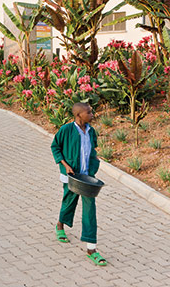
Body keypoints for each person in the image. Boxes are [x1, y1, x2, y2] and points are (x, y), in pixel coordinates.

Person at [51, 102, 107, 266]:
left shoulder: (91, 131)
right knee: (69, 201)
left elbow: (93, 149)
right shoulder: (66, 130)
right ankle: (60, 224)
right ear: (78, 115)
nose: (92, 114)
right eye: (88, 112)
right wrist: (65, 166)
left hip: (87, 177)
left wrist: (95, 162)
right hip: (72, 175)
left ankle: (91, 249)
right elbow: (55, 147)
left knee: (90, 209)